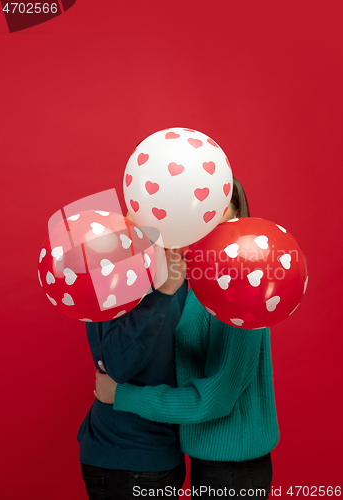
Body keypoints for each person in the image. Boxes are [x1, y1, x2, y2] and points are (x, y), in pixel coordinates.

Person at [94, 177, 280, 499]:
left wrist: (123, 396)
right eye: (201, 215)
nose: (207, 225)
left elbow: (216, 398)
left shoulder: (244, 288)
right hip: (204, 463)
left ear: (238, 218)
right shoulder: (194, 282)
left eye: (220, 214)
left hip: (236, 470)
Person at [77, 240, 188, 499]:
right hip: (125, 457)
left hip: (166, 453)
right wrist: (163, 294)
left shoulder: (180, 270)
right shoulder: (117, 267)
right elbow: (115, 365)